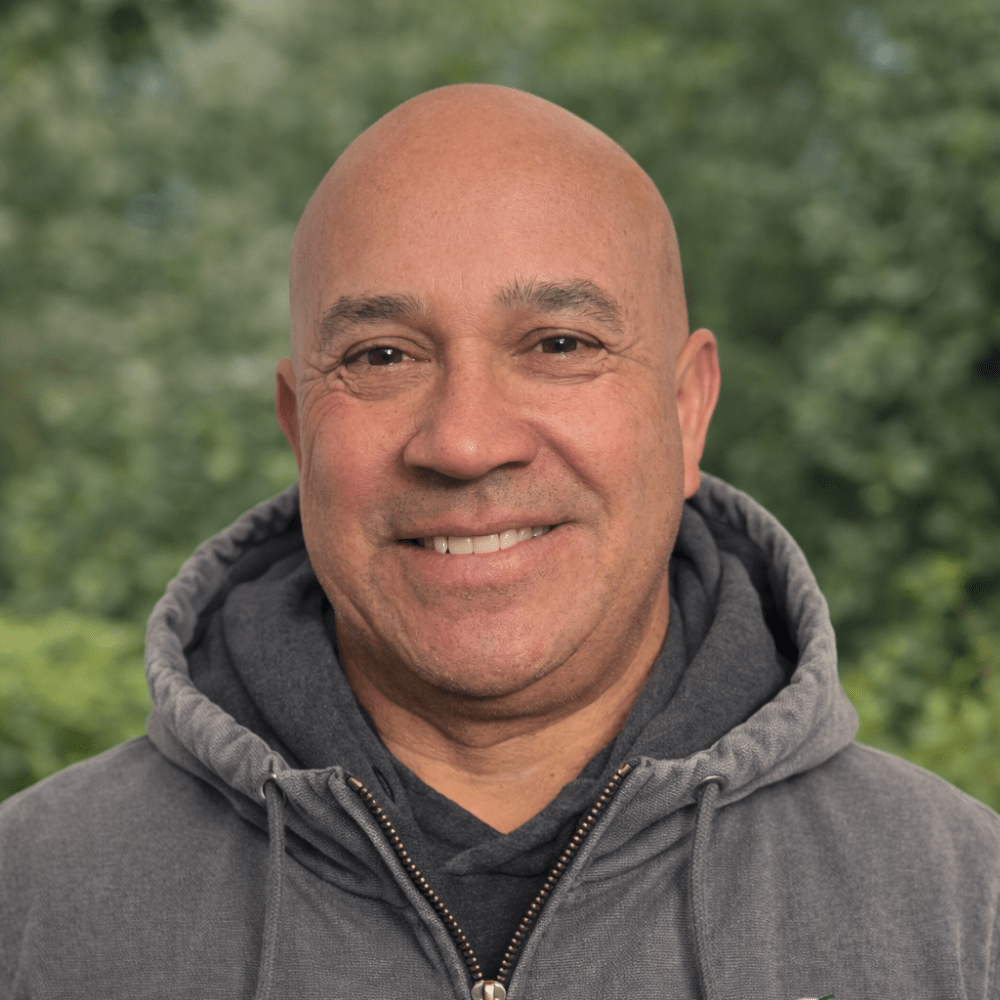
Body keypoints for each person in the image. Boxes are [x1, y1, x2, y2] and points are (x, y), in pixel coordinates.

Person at [1, 84, 997, 1000]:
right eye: (382, 356)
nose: (466, 441)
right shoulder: (33, 906)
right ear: (298, 429)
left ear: (686, 411)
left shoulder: (962, 913)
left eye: (559, 345)